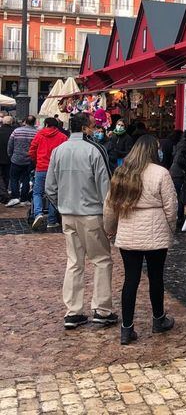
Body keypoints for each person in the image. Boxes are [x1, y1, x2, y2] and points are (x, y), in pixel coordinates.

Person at [103, 135, 177, 345]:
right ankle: (158, 318)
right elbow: (171, 207)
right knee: (156, 277)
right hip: (155, 230)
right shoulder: (161, 173)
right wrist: (171, 229)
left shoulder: (122, 171)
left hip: (128, 230)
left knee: (131, 279)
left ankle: (126, 329)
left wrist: (110, 230)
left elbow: (109, 206)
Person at [46, 112, 117, 329]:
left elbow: (50, 187)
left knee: (74, 262)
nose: (96, 129)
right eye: (93, 125)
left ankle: (73, 311)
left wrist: (62, 205)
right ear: (86, 127)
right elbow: (106, 188)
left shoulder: (58, 150)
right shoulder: (95, 150)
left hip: (68, 213)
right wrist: (110, 219)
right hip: (91, 213)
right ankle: (102, 309)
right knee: (101, 260)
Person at [28, 117, 67, 230]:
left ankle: (38, 213)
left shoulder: (39, 135)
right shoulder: (63, 137)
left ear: (46, 124)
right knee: (53, 194)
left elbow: (32, 150)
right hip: (56, 169)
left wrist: (37, 160)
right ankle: (51, 220)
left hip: (41, 168)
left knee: (37, 193)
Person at [6, 115, 38, 207]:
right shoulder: (36, 133)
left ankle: (15, 197)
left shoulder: (16, 131)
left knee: (14, 178)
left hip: (16, 159)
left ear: (25, 122)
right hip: (29, 160)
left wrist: (10, 155)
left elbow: (10, 144)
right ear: (34, 122)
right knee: (26, 179)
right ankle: (24, 199)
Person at [169, 129, 186, 228]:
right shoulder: (185, 145)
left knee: (178, 196)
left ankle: (178, 218)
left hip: (176, 172)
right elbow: (179, 159)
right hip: (179, 174)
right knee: (180, 197)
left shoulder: (181, 144)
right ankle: (179, 219)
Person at [0, 115, 13, 204]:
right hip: (9, 158)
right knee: (7, 176)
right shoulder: (14, 132)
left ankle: (3, 193)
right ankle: (5, 193)